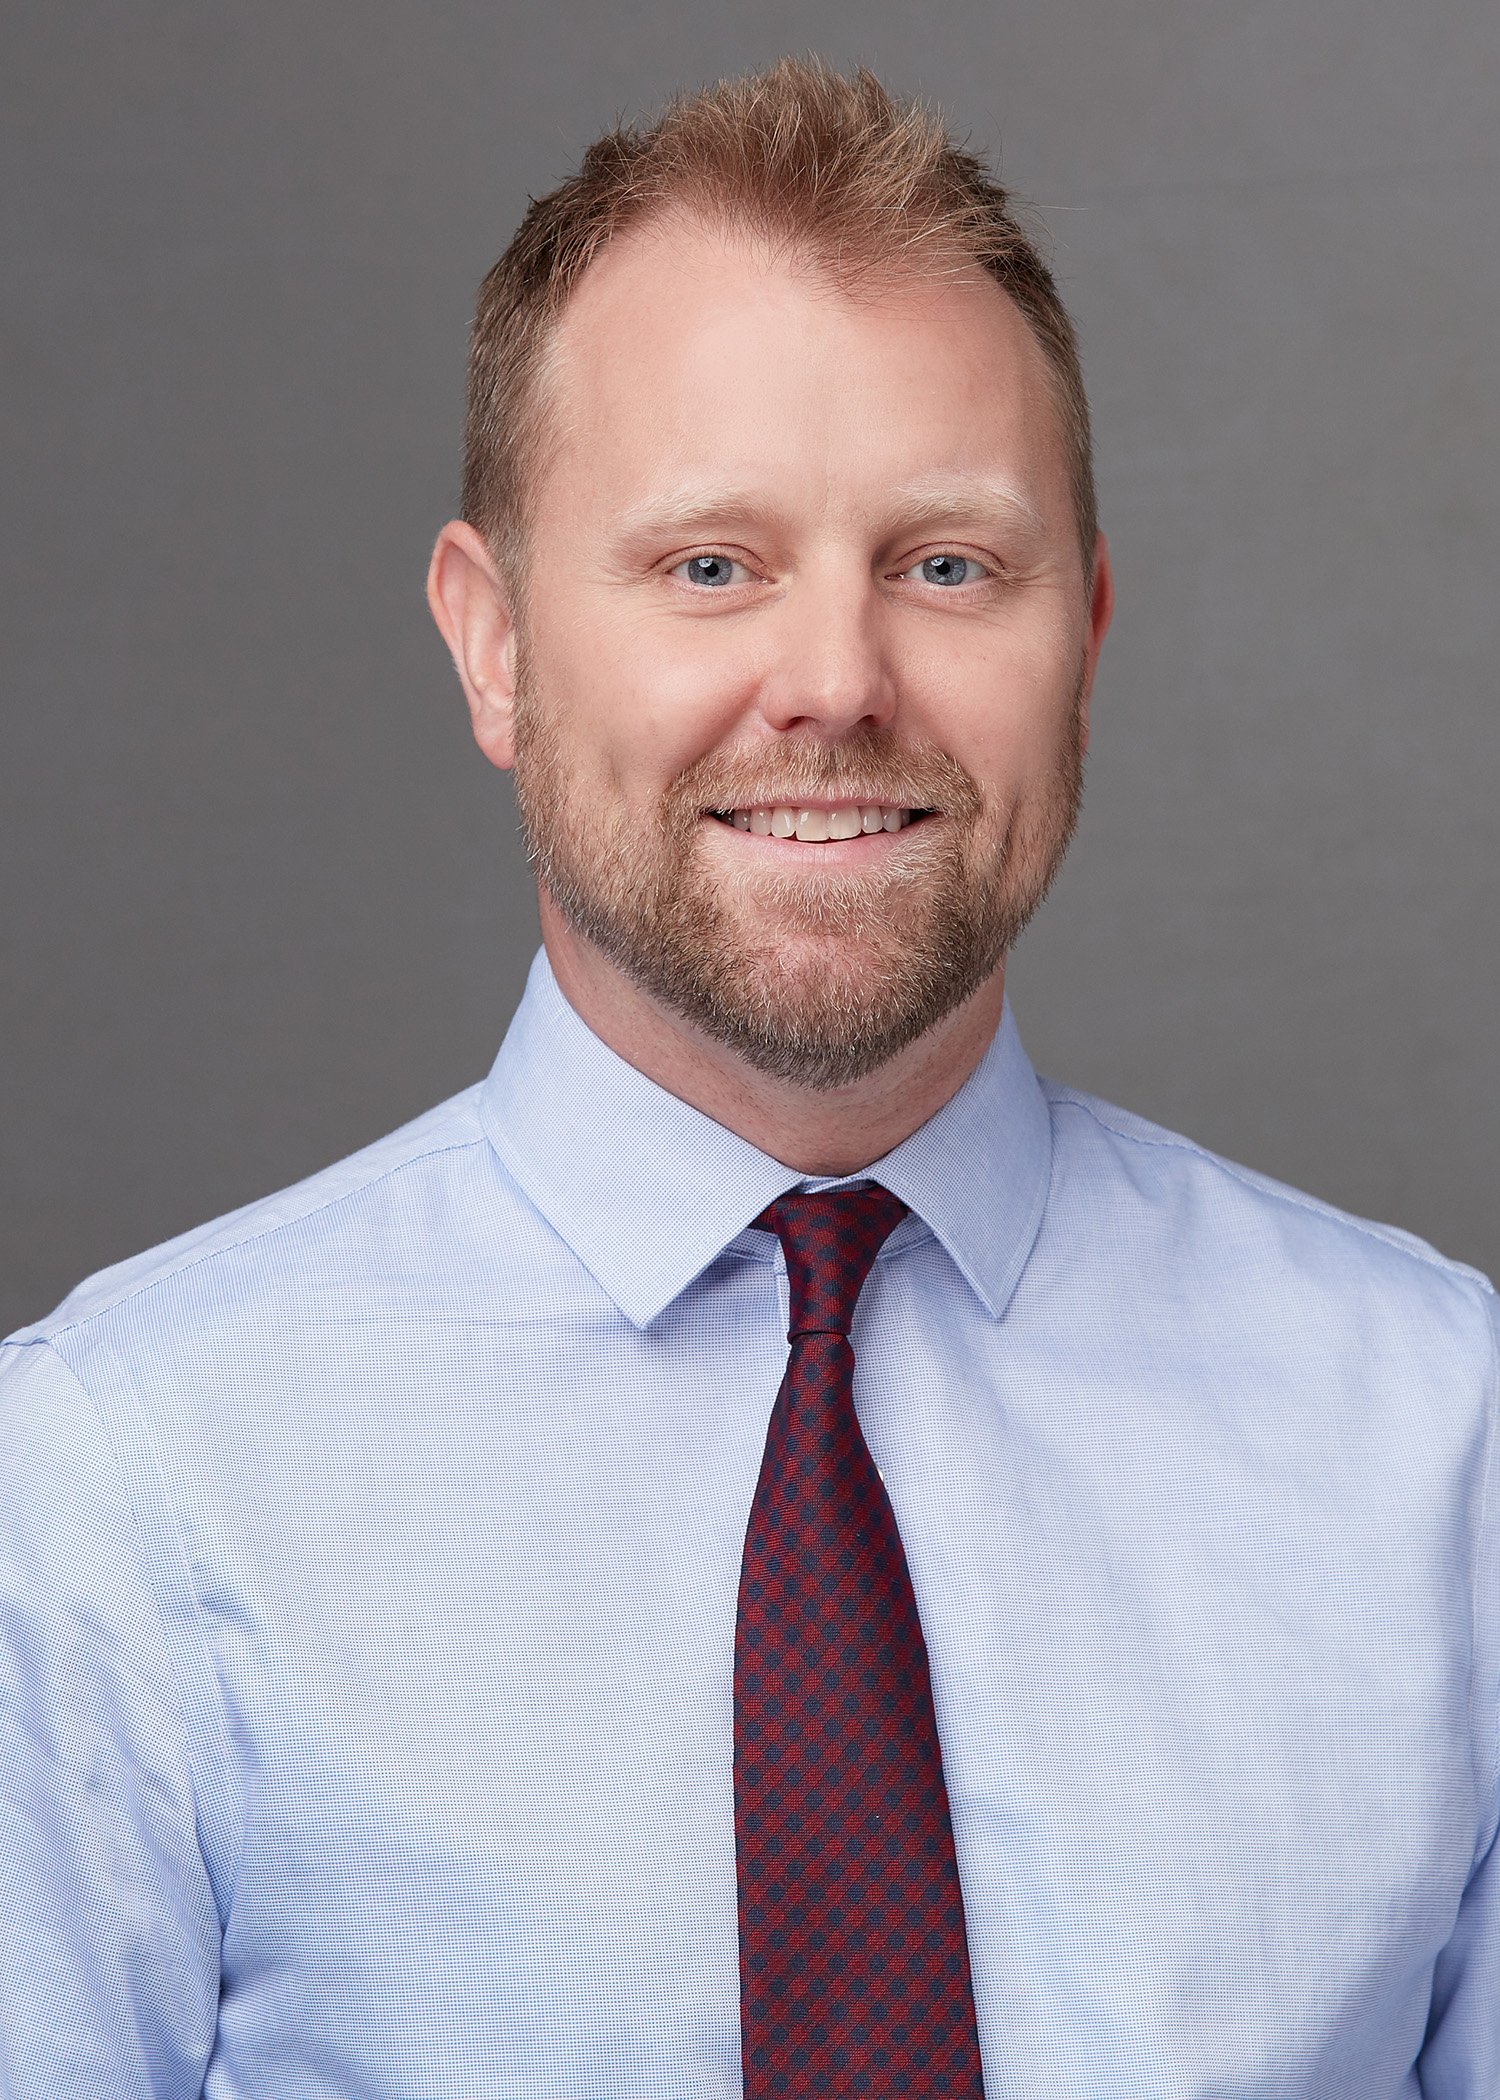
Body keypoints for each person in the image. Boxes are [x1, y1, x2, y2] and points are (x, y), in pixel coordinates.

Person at [2, 56, 1495, 2100]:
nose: (834, 680)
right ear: (495, 645)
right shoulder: (114, 1487)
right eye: (710, 564)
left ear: (1091, 630)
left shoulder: (1445, 1447)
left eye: (949, 565)